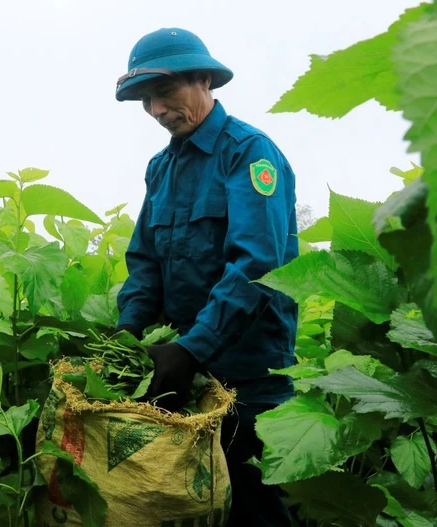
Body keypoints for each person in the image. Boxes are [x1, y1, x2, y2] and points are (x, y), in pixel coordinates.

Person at [113, 27, 299, 526]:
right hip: (185, 368)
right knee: (194, 497)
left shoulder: (249, 154)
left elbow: (256, 264)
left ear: (203, 80)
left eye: (164, 93)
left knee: (250, 496)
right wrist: (128, 331)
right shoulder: (161, 168)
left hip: (250, 372)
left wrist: (194, 347)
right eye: (146, 100)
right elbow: (146, 259)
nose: (155, 110)